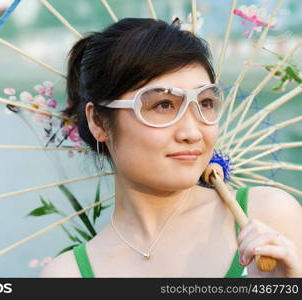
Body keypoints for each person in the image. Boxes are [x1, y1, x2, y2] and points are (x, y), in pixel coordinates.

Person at [39, 18, 302, 278]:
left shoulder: (269, 219)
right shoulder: (67, 275)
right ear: (98, 121)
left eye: (206, 102)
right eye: (163, 105)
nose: (192, 132)